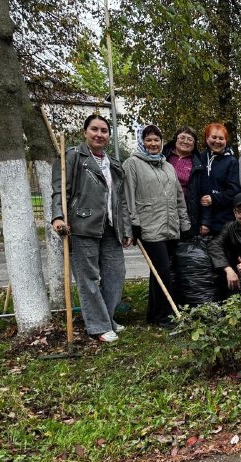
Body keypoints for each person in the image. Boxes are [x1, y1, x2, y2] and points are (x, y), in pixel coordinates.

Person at [50, 114, 132, 342]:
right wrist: (57, 216)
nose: (99, 134)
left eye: (104, 130)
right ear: (85, 132)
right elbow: (60, 190)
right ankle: (98, 326)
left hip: (110, 228)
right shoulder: (73, 157)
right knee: (88, 278)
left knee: (116, 274)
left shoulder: (114, 164)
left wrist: (126, 230)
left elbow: (120, 200)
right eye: (94, 129)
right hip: (81, 225)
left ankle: (108, 318)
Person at [123, 124, 191, 327]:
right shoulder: (132, 164)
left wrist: (184, 224)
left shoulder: (167, 165)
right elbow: (128, 197)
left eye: (156, 140)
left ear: (162, 142)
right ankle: (165, 316)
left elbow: (179, 197)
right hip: (149, 227)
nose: (153, 143)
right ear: (142, 142)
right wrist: (133, 224)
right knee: (161, 269)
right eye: (149, 140)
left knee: (159, 271)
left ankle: (154, 314)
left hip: (170, 227)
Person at [163, 126, 206, 235]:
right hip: (164, 213)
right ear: (175, 139)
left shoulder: (199, 163)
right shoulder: (162, 157)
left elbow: (203, 193)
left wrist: (205, 221)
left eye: (190, 139)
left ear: (194, 144)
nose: (185, 141)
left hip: (188, 213)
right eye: (182, 137)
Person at [200, 122, 241, 236]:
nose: (217, 141)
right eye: (213, 137)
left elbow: (234, 190)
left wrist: (214, 198)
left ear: (226, 140)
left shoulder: (231, 162)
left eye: (221, 138)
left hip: (223, 220)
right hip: (200, 219)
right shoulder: (199, 158)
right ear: (207, 138)